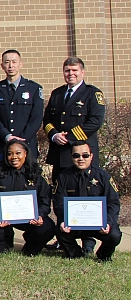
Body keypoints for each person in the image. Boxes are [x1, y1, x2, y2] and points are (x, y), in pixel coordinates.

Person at [43, 57, 105, 254]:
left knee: (85, 196)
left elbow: (95, 121)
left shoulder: (93, 94)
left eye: (74, 70)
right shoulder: (57, 93)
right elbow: (47, 119)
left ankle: (88, 241)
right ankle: (63, 236)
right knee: (61, 196)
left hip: (82, 155)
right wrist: (54, 134)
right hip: (60, 154)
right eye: (67, 70)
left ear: (82, 72)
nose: (71, 74)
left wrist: (69, 137)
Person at [0, 140, 56, 255]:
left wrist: (40, 215)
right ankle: (2, 248)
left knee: (47, 228)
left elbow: (45, 199)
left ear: (25, 153)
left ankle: (31, 249)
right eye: (9, 154)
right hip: (3, 218)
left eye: (18, 153)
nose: (14, 157)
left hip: (30, 219)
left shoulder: (37, 173)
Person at [53, 142, 122, 261]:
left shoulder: (103, 177)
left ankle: (103, 255)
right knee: (60, 231)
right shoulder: (63, 177)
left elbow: (113, 203)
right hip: (74, 223)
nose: (81, 159)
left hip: (98, 224)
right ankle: (76, 254)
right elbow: (59, 202)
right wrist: (64, 220)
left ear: (91, 156)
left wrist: (108, 222)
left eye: (85, 155)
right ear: (71, 157)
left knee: (114, 235)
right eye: (76, 156)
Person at [0, 50, 44, 163]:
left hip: (27, 145)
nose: (11, 65)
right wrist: (7, 136)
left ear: (20, 64)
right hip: (2, 145)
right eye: (7, 62)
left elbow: (36, 118)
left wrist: (21, 141)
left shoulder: (34, 88)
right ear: (2, 66)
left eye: (14, 62)